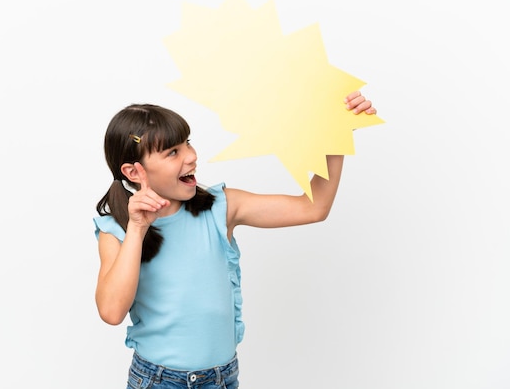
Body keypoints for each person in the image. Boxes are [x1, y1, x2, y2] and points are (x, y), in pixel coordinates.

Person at [94, 91, 377, 389]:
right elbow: (111, 312)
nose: (191, 156)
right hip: (158, 381)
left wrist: (337, 134)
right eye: (172, 153)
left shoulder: (220, 207)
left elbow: (314, 207)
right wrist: (137, 229)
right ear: (133, 171)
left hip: (221, 379)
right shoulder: (117, 230)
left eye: (187, 143)